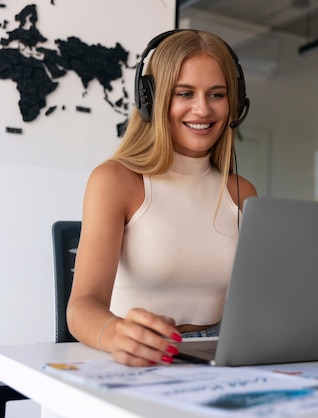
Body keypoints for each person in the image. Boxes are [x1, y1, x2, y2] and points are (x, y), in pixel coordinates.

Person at [67, 30, 257, 367]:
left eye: (217, 94)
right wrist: (116, 334)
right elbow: (82, 307)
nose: (203, 109)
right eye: (184, 93)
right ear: (152, 99)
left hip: (213, 359)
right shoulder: (115, 181)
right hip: (132, 357)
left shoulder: (241, 192)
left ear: (235, 105)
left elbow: (258, 299)